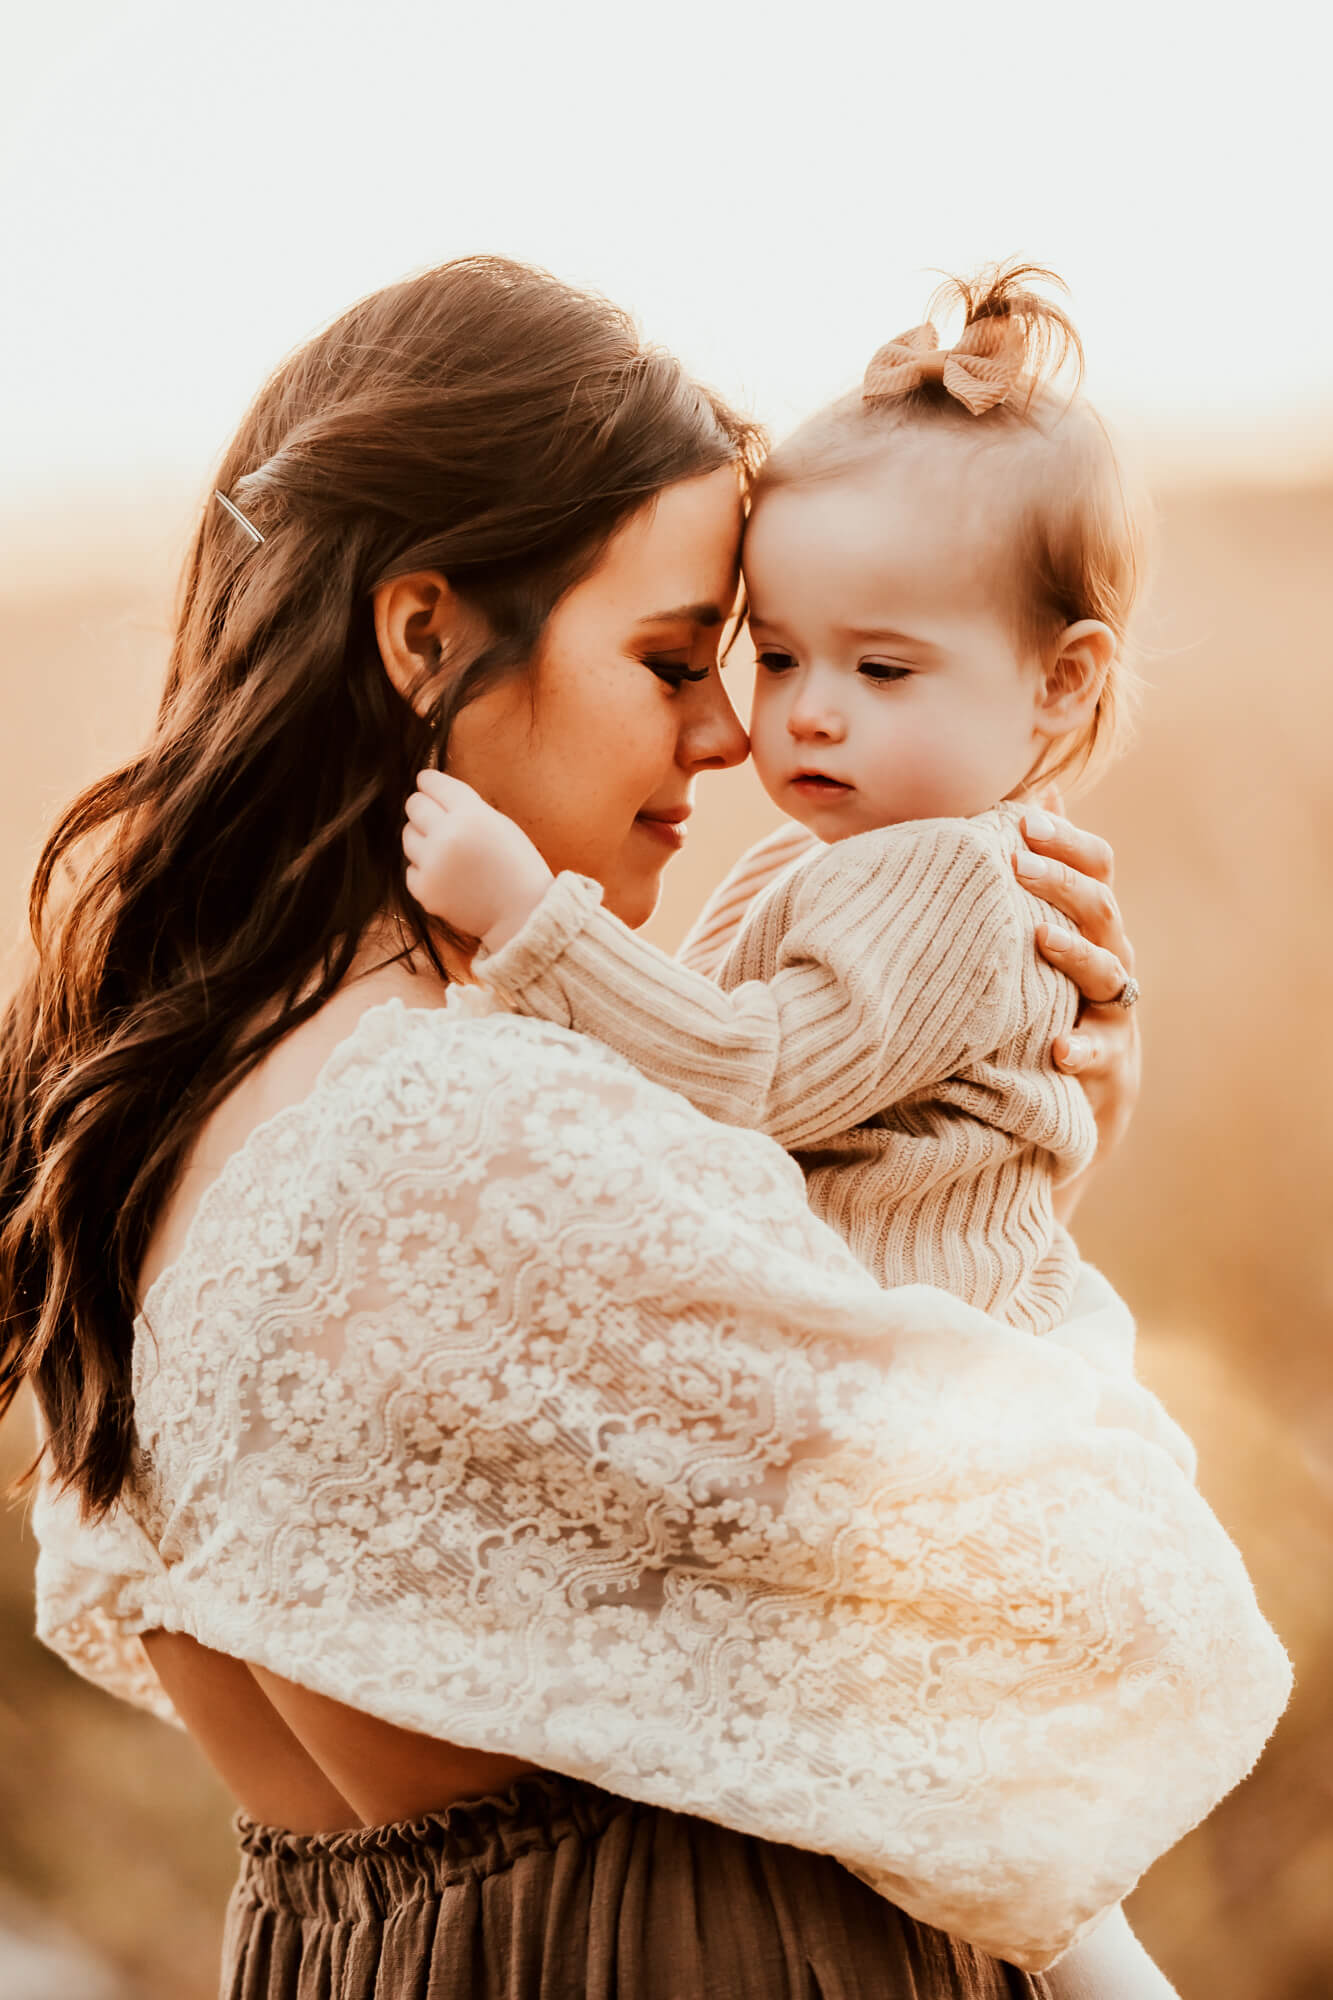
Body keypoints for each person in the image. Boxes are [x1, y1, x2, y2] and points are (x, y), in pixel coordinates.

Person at [1, 257, 1289, 2000]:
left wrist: (975, 1163)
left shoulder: (196, 1098)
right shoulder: (471, 1134)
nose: (733, 728)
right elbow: (1101, 1613)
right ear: (424, 637)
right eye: (684, 656)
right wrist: (1026, 1228)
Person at [400, 264, 1134, 1339]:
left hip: (919, 1387)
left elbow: (745, 1073)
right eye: (781, 655)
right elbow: (668, 1069)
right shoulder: (806, 861)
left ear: (1059, 680)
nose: (803, 715)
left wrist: (528, 917)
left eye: (881, 670)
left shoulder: (964, 878)